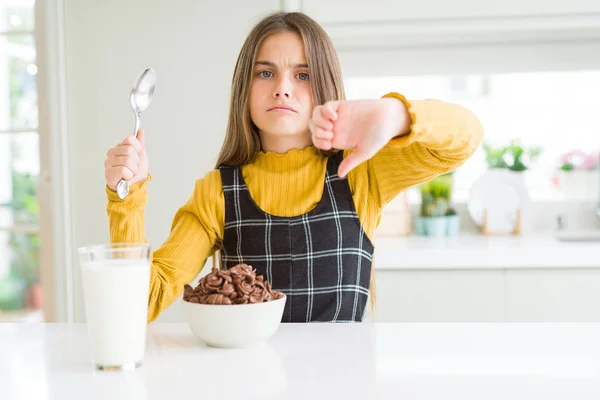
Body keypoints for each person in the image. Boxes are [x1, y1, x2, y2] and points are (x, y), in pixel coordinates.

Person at [104, 11, 483, 323]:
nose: (282, 88)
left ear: (325, 85)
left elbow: (467, 137)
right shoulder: (216, 193)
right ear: (244, 90)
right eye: (265, 73)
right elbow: (143, 300)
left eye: (302, 75)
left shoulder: (362, 172)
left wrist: (395, 114)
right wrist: (127, 200)